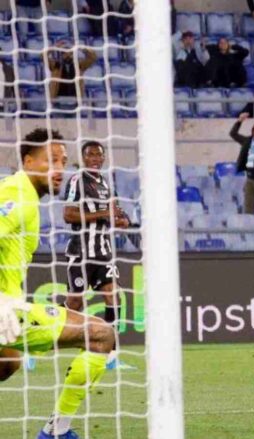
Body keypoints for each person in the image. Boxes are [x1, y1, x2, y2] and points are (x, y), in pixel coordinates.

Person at [0, 128, 116, 439]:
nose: (59, 169)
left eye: (63, 161)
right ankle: (56, 432)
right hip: (4, 309)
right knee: (102, 334)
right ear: (27, 161)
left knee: (7, 363)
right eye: (50, 160)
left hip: (7, 312)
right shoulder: (16, 193)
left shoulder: (24, 196)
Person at [62, 140, 133, 371]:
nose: (95, 158)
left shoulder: (106, 183)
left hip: (103, 251)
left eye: (99, 155)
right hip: (81, 250)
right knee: (75, 302)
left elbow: (116, 213)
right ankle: (44, 335)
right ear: (84, 158)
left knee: (113, 296)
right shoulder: (77, 180)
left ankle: (110, 355)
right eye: (91, 154)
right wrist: (105, 213)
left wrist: (123, 220)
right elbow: (69, 215)